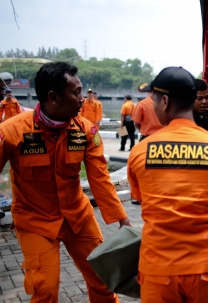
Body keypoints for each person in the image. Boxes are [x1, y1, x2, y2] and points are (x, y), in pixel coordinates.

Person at [0, 62, 131, 303]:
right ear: (53, 97)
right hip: (34, 220)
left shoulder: (85, 130)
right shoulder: (11, 132)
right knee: (45, 290)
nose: (83, 99)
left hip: (78, 217)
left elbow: (100, 178)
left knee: (104, 281)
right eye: (76, 92)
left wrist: (123, 219)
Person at [127, 66, 208, 303]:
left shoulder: (139, 152)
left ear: (164, 101)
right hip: (204, 267)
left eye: (154, 100)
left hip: (157, 268)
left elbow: (148, 204)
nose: (154, 106)